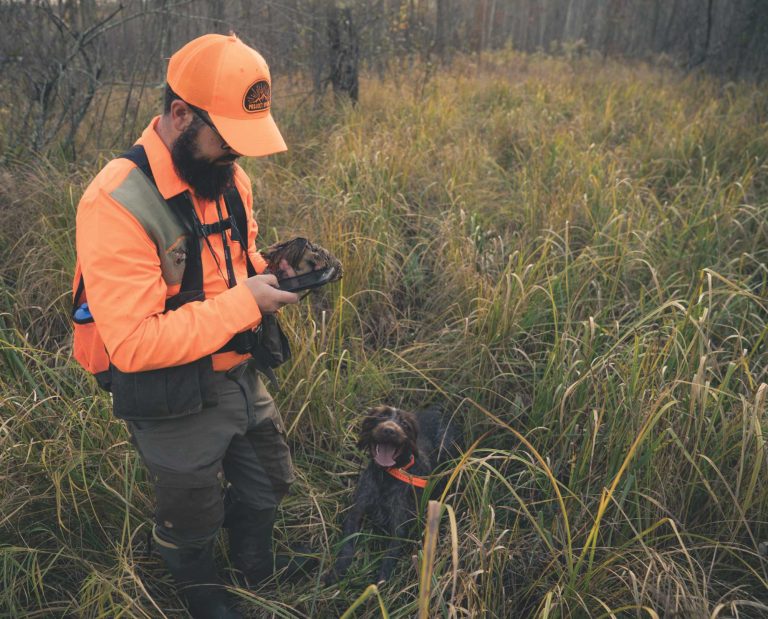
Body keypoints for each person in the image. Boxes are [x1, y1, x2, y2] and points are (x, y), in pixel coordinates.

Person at [73, 33, 316, 618]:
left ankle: (256, 565)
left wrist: (272, 271)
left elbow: (234, 263)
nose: (238, 156)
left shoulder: (227, 179)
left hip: (238, 370)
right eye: (227, 140)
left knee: (269, 482)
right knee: (192, 511)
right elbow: (132, 344)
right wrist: (249, 302)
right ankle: (203, 594)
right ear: (181, 114)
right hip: (168, 390)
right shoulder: (116, 201)